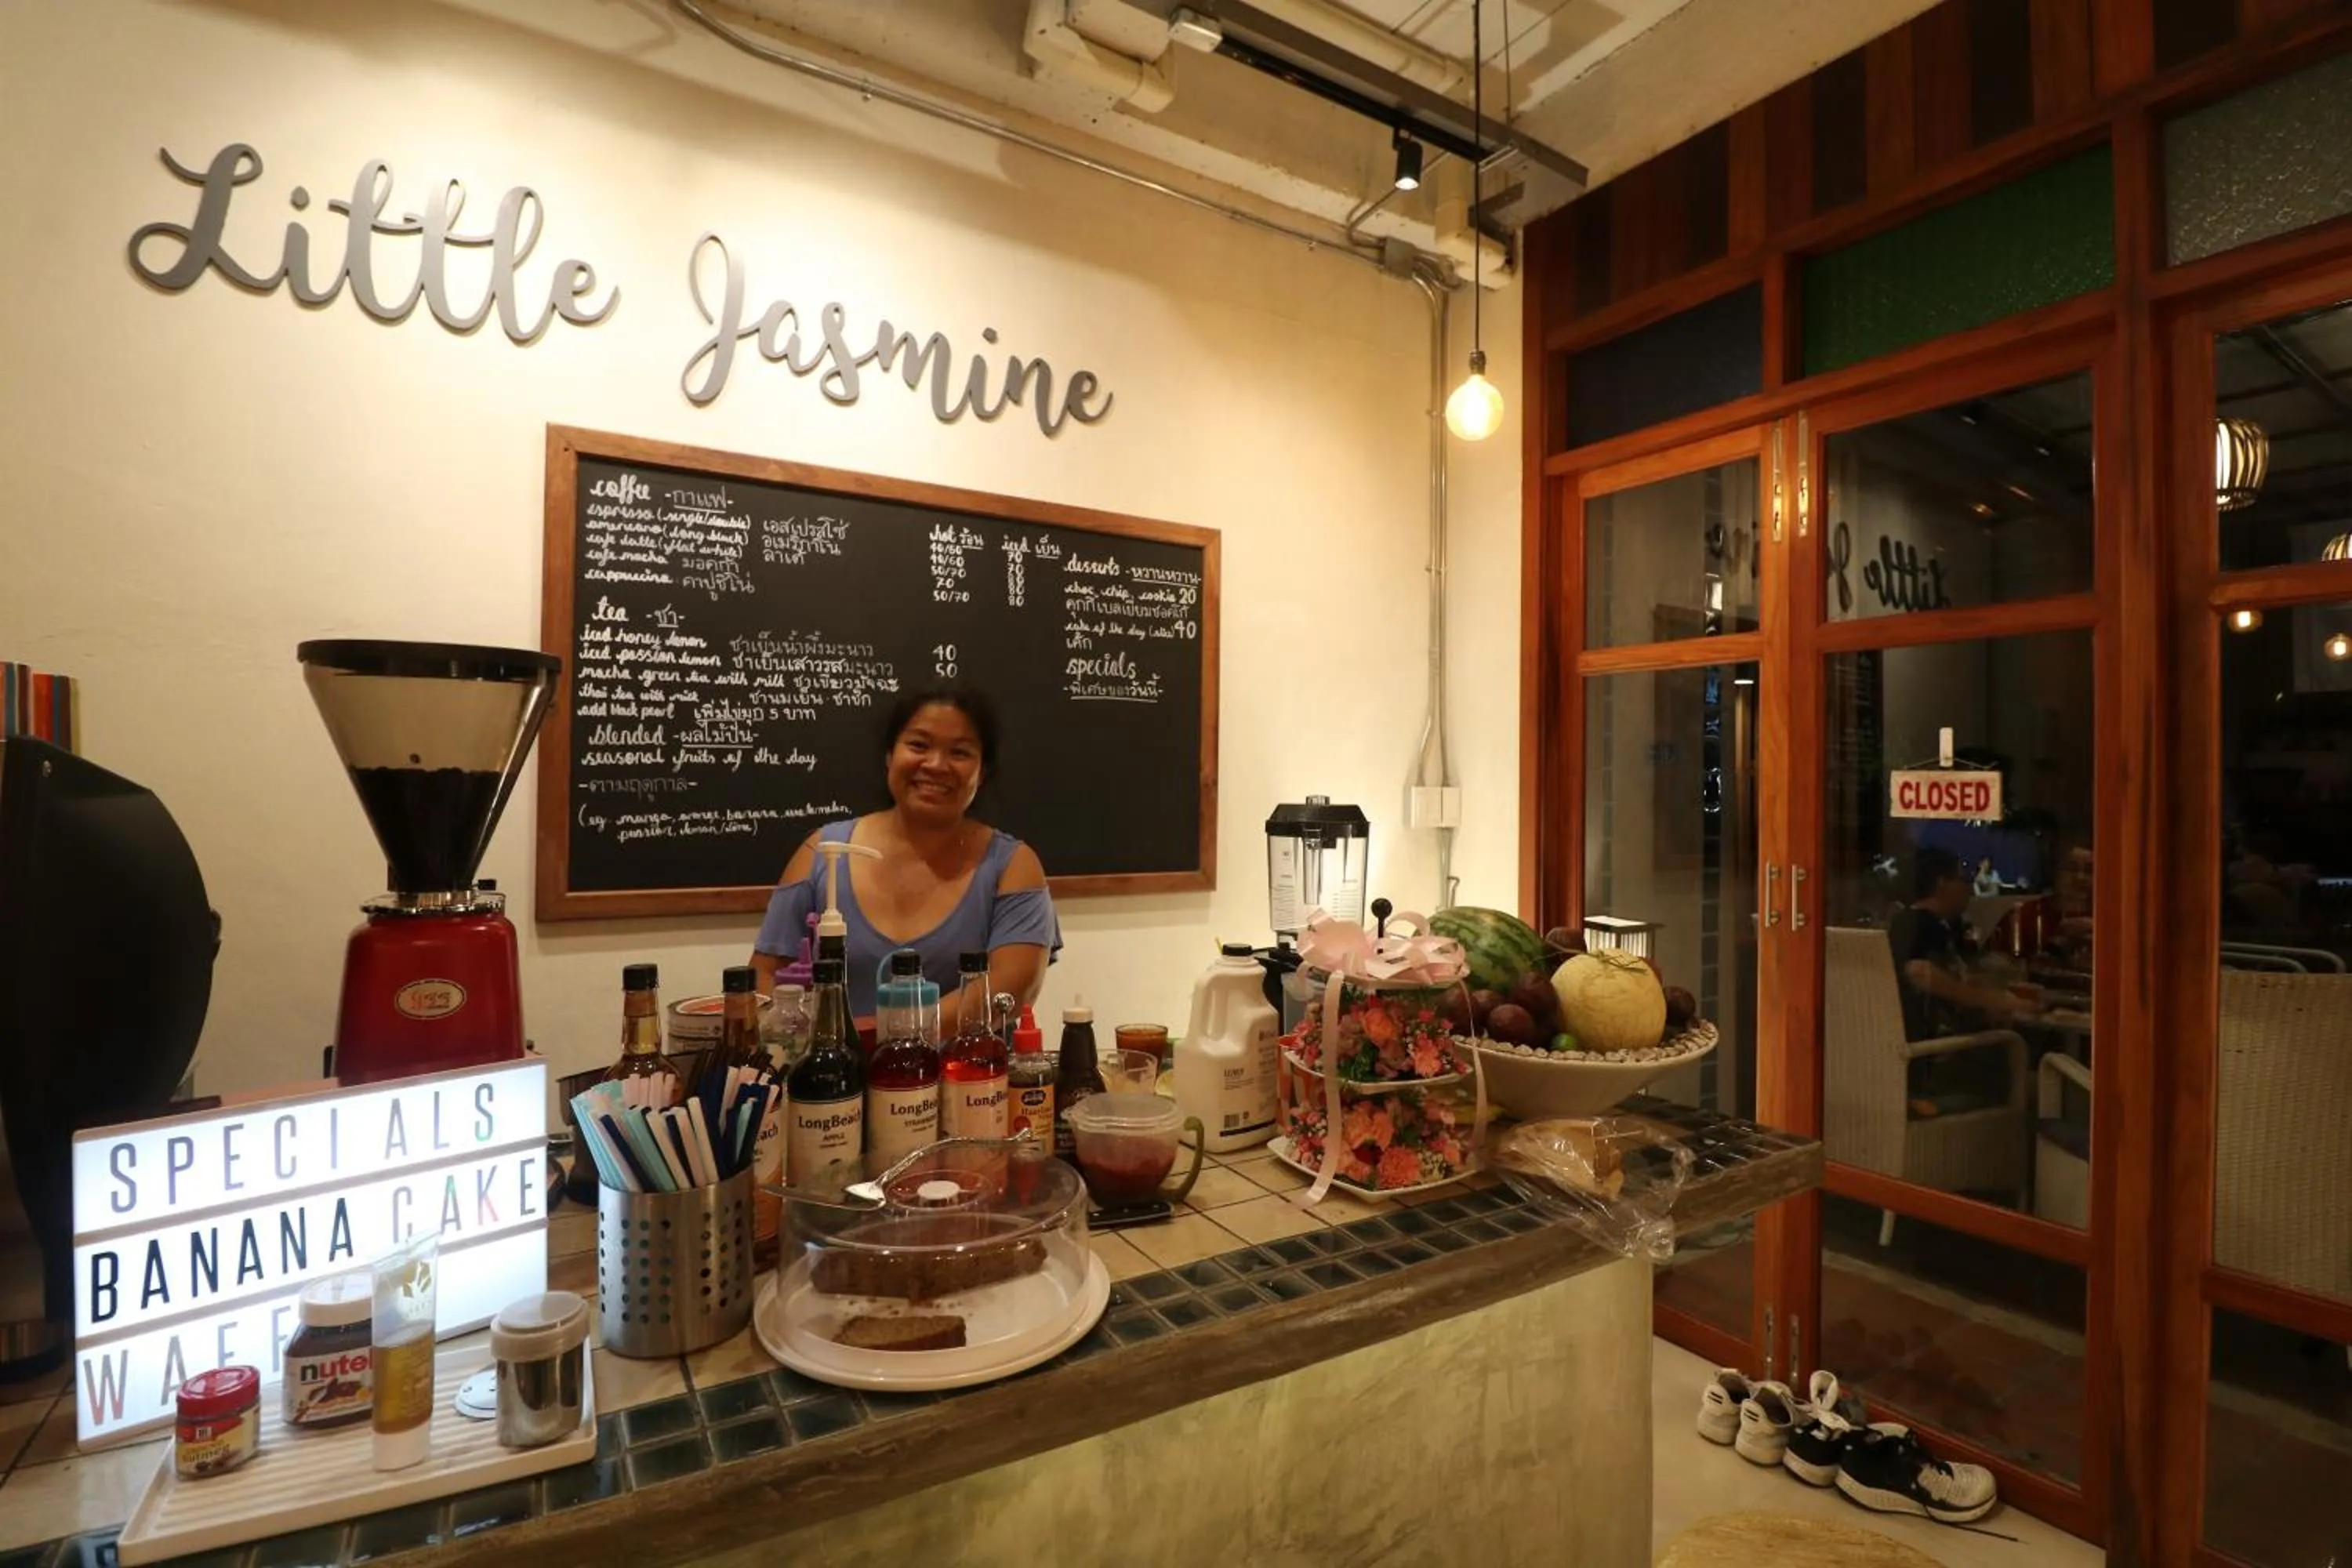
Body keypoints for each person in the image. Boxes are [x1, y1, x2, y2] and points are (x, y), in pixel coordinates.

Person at [751, 684, 1059, 1029]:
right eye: (918, 745)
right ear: (889, 755)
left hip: (971, 1078)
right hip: (835, 1078)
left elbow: (1013, 989)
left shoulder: (1013, 865)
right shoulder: (822, 852)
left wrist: (881, 1035)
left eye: (959, 752)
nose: (936, 765)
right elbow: (765, 977)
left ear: (982, 772)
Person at [1888, 847, 2039, 1044]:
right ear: (1942, 884)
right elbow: (1918, 971)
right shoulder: (1915, 923)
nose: (1969, 887)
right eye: (1963, 879)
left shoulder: (1941, 926)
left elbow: (1958, 975)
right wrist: (1989, 1000)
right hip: (1933, 1051)